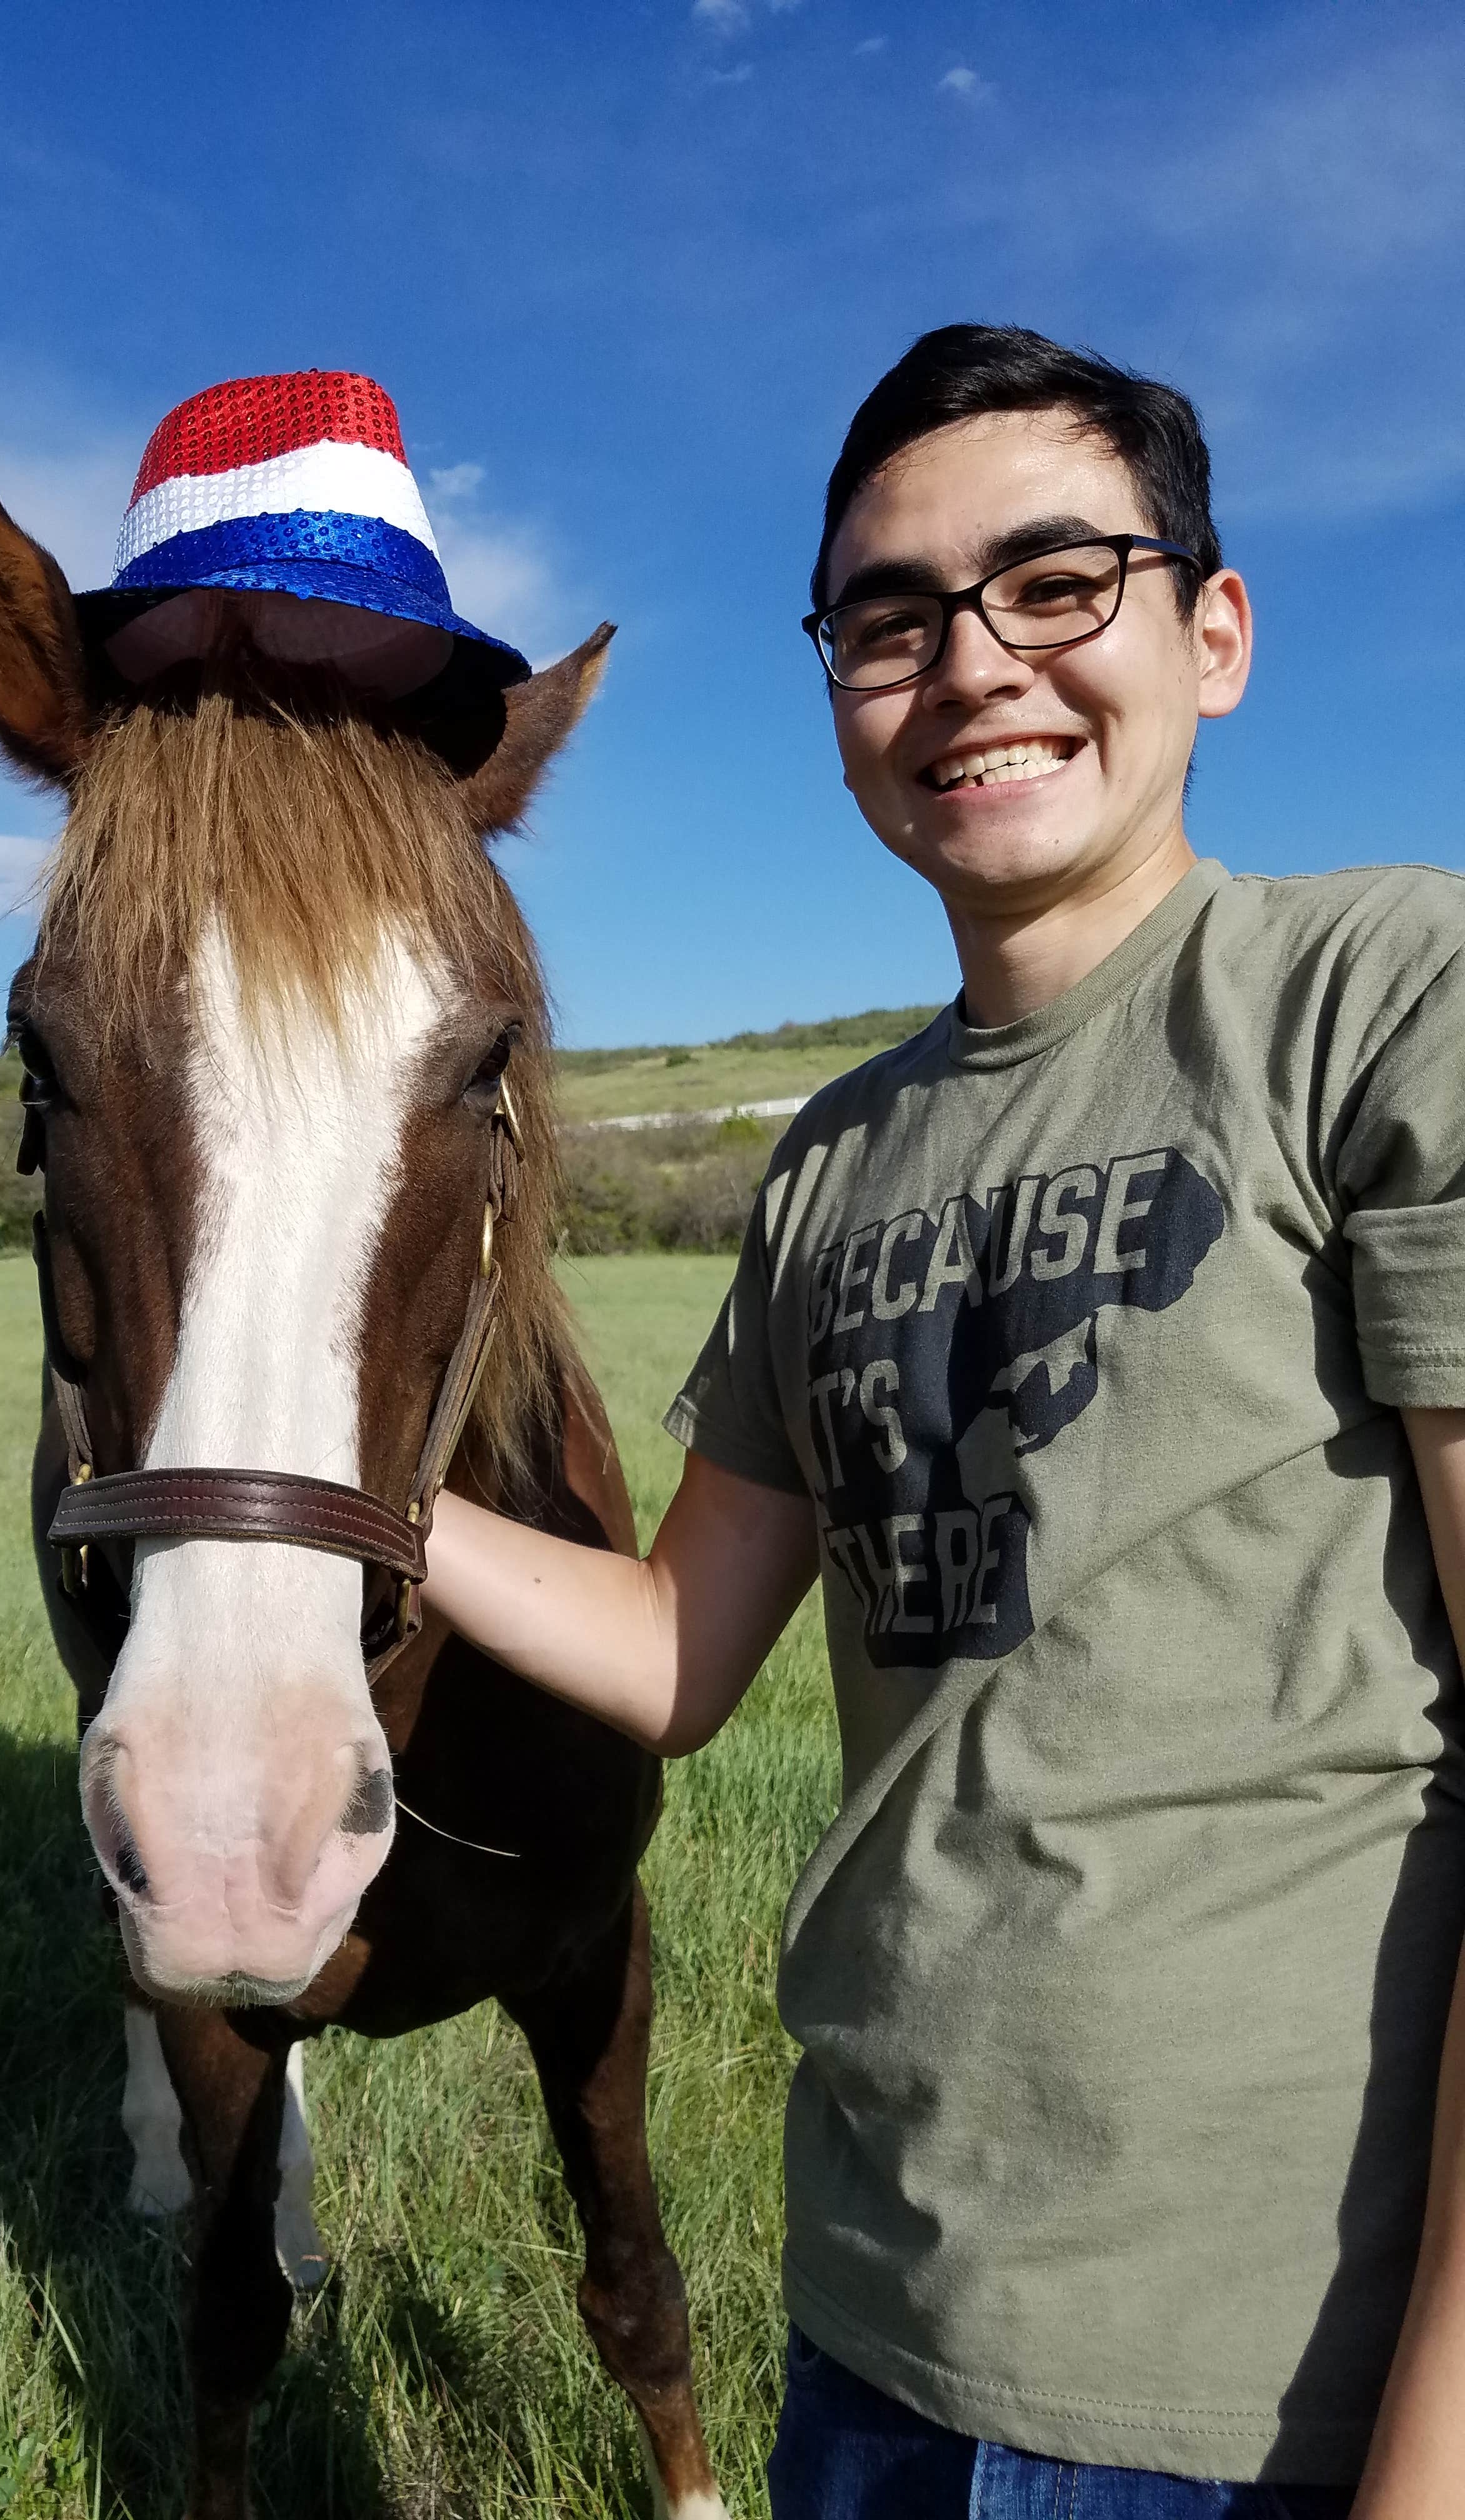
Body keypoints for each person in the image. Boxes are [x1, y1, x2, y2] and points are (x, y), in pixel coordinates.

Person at [422, 324, 1465, 2517]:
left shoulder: (1384, 1000)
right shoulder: (829, 1162)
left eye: (1056, 582)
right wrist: (318, 1497)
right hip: (878, 2325)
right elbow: (678, 1657)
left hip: (1269, 2386)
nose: (972, 664)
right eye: (888, 620)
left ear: (1217, 632)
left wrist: (1437, 2458)